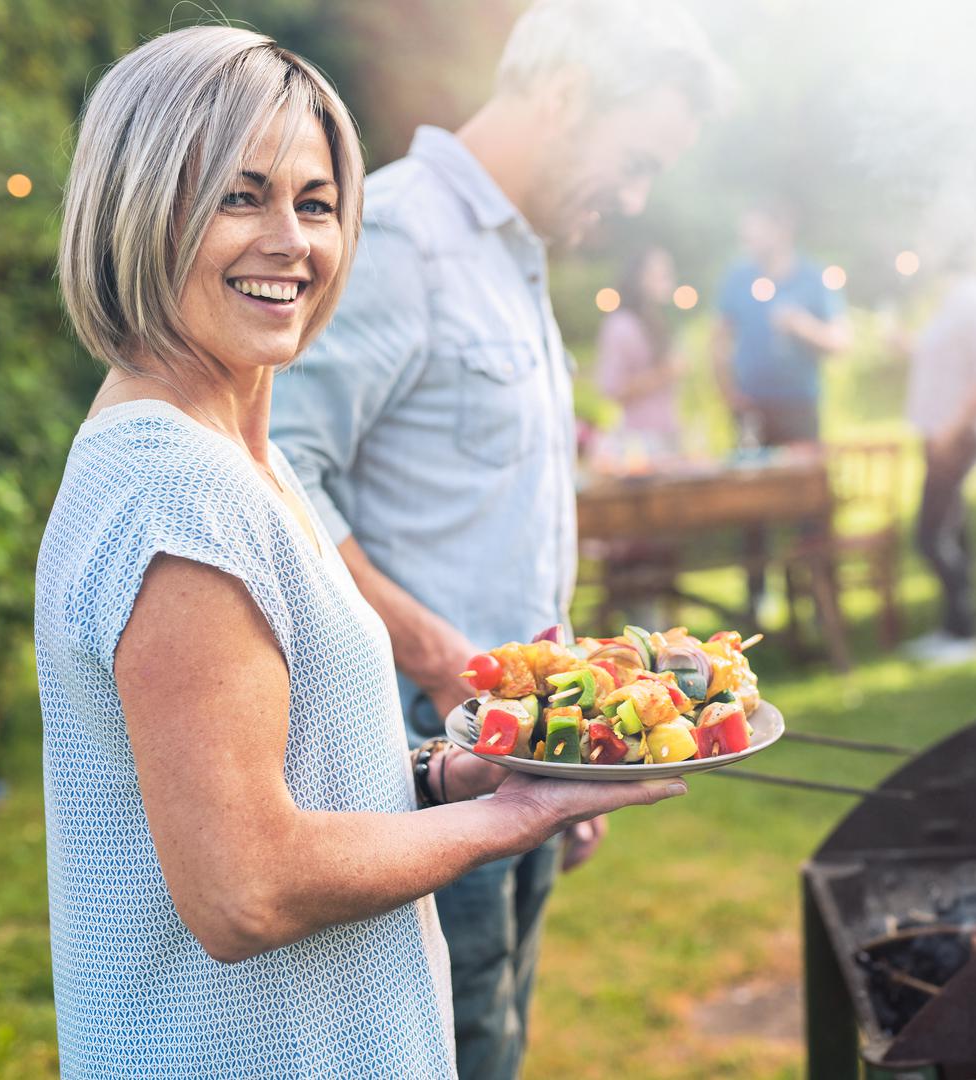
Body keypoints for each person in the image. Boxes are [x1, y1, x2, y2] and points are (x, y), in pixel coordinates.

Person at [36, 26, 685, 1078]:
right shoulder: (176, 491)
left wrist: (444, 776)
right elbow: (245, 889)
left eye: (317, 203)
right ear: (142, 207)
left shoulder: (239, 459)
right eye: (240, 197)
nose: (291, 241)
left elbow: (286, 778)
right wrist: (513, 817)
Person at [268, 4, 727, 1076]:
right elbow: (277, 477)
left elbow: (506, 535)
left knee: (497, 1040)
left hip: (515, 752)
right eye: (635, 161)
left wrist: (564, 737)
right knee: (451, 1048)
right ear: (564, 97)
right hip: (415, 767)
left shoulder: (515, 257)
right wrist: (441, 662)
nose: (633, 197)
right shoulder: (395, 237)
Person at [711, 202, 852, 619]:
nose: (749, 239)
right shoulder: (738, 277)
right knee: (751, 507)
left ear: (782, 228)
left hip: (799, 408)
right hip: (751, 410)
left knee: (809, 506)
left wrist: (801, 325)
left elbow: (840, 342)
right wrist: (728, 392)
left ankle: (818, 602)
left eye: (757, 229)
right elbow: (719, 338)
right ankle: (757, 600)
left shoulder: (813, 277)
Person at [899, 265, 976, 664]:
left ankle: (965, 634)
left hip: (957, 435)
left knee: (930, 536)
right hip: (941, 434)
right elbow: (947, 362)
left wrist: (949, 430)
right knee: (952, 532)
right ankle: (954, 630)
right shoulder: (952, 299)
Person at [596, 245, 684, 461]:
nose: (668, 280)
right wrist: (664, 373)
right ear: (639, 278)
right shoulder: (621, 325)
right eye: (660, 273)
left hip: (667, 436)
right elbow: (612, 388)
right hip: (638, 442)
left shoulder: (655, 321)